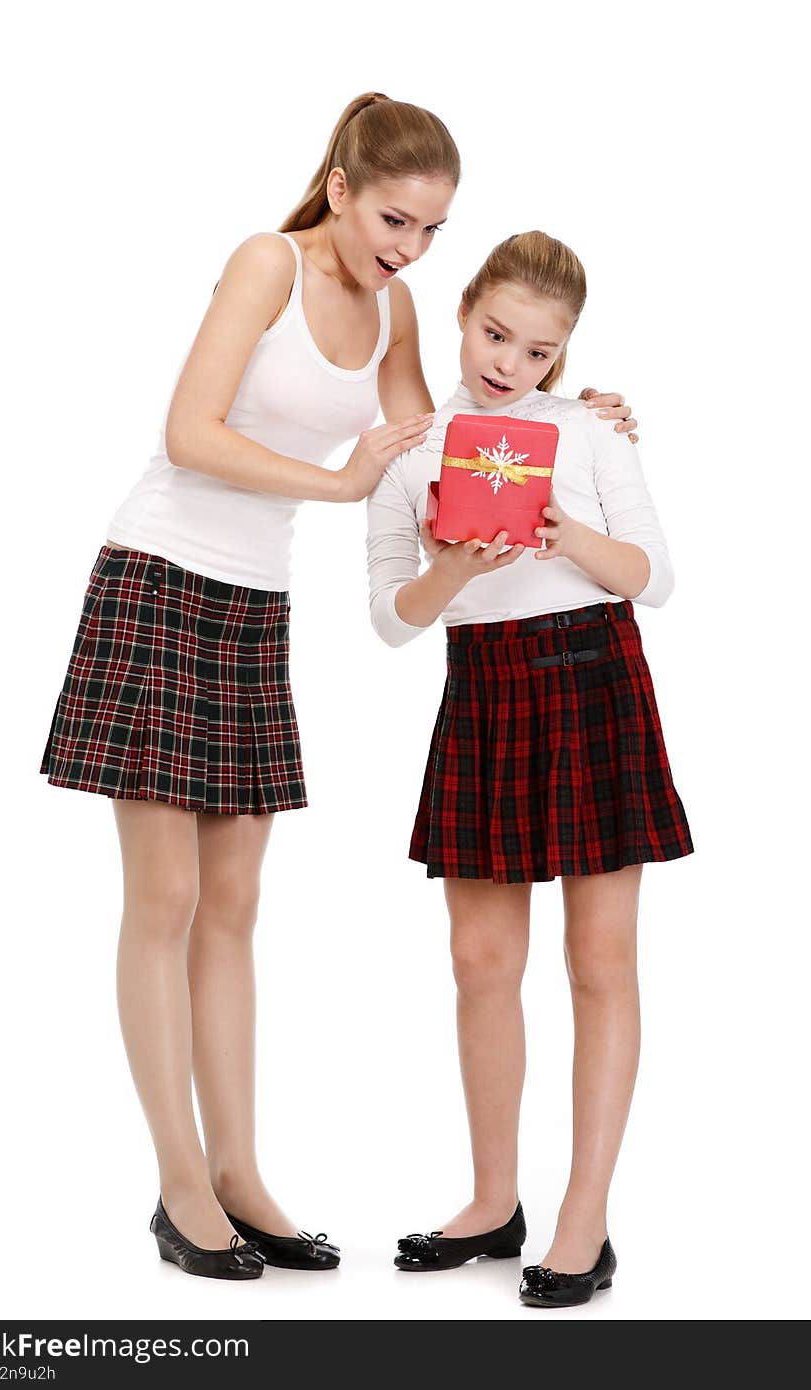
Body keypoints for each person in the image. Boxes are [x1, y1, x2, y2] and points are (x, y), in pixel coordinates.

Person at [40, 88, 636, 1282]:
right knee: (161, 905)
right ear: (342, 188)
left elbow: (445, 446)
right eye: (395, 219)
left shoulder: (398, 308)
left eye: (430, 230)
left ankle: (241, 1178)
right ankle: (177, 1187)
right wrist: (335, 483)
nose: (407, 247)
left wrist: (580, 417)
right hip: (161, 575)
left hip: (254, 602)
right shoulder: (265, 261)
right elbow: (189, 432)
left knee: (234, 908)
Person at [366, 229, 691, 1307]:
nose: (509, 362)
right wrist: (450, 567)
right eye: (495, 333)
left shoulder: (589, 431)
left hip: (595, 676)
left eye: (537, 351)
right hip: (486, 687)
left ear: (564, 356)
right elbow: (388, 620)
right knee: (478, 961)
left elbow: (653, 575)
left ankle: (582, 1220)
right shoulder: (414, 447)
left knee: (600, 962)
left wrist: (566, 538)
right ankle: (491, 1197)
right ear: (462, 313)